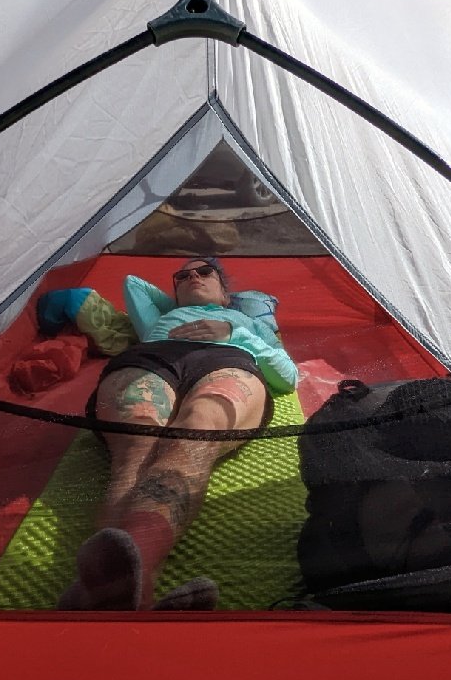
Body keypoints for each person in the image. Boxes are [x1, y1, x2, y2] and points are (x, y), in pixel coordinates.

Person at [59, 256, 298, 611]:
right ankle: (128, 585)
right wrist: (183, 302)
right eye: (182, 276)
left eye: (205, 272)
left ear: (225, 290)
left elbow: (287, 376)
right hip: (152, 357)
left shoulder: (246, 321)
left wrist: (233, 330)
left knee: (196, 429)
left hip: (228, 358)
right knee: (138, 441)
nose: (192, 277)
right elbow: (132, 283)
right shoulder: (159, 319)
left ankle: (111, 588)